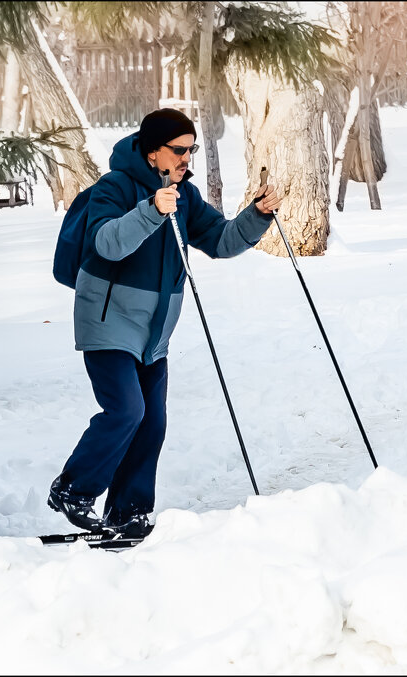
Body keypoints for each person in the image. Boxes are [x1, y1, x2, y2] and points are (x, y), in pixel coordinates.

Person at [48, 108, 282, 537]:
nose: (187, 157)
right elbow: (107, 243)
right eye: (179, 150)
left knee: (152, 421)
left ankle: (128, 511)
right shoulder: (114, 187)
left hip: (154, 331)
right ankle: (72, 490)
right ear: (153, 152)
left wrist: (257, 215)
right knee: (126, 411)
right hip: (107, 321)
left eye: (191, 149)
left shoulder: (185, 195)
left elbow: (222, 241)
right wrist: (152, 210)